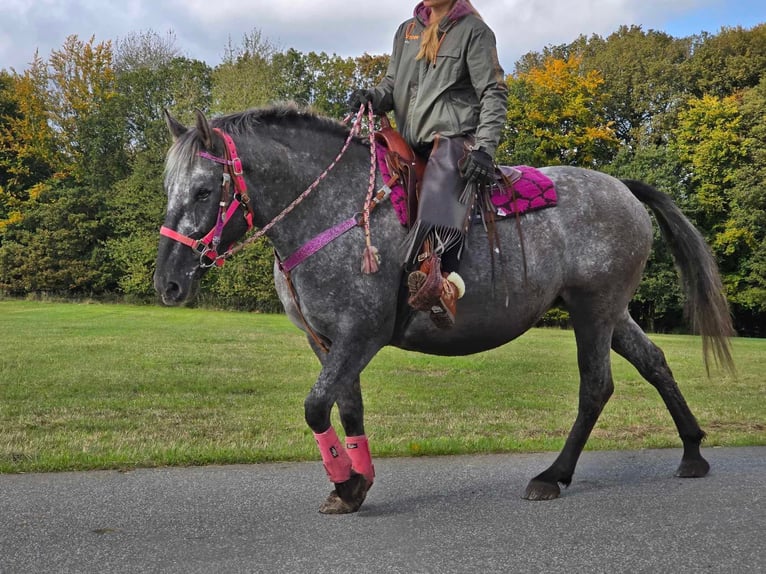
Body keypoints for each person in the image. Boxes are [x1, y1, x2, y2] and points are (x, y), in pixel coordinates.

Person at [349, 0, 508, 329]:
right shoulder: (406, 31)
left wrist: (485, 148)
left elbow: (493, 92)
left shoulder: (474, 32)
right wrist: (372, 97)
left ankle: (444, 281)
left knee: (440, 181)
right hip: (408, 140)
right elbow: (391, 87)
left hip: (454, 137)